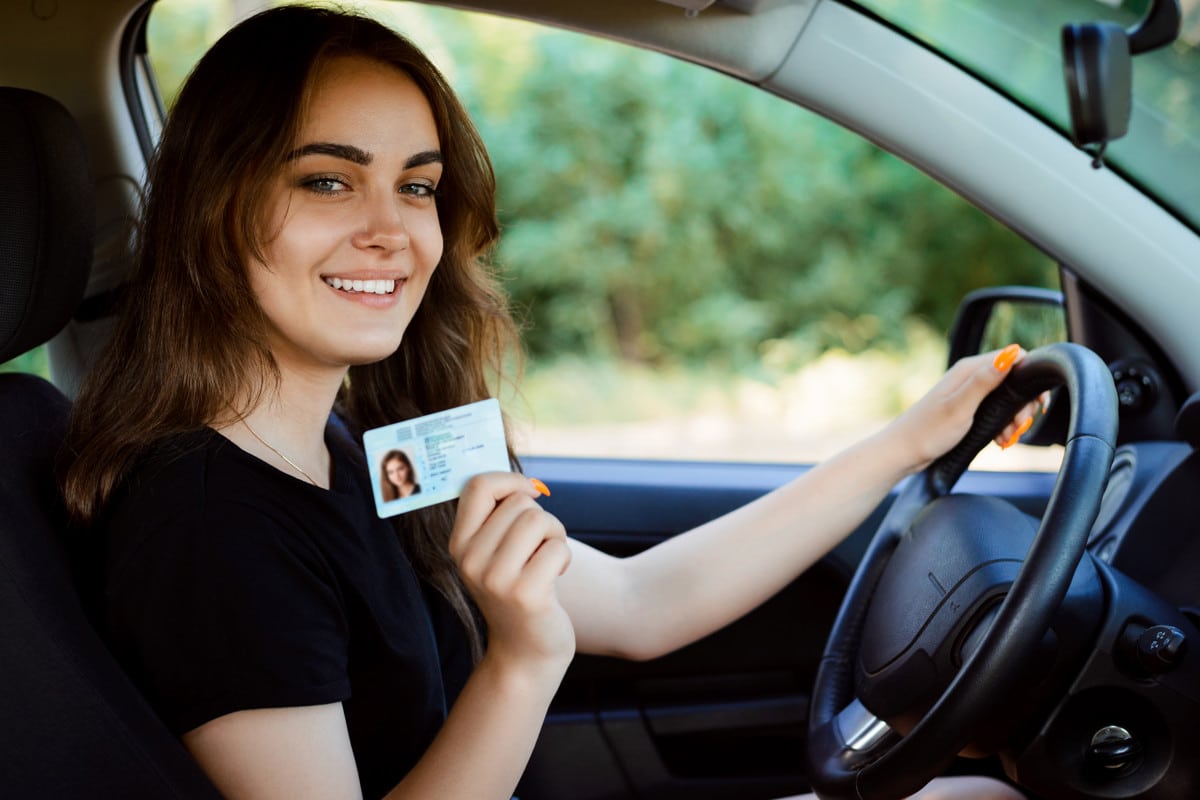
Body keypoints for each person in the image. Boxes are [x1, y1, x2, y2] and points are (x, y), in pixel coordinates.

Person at [62, 6, 1035, 799]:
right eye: (328, 180)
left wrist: (908, 440)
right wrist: (522, 659)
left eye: (417, 186)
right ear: (213, 207)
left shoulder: (357, 446)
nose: (391, 230)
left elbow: (643, 602)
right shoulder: (208, 525)